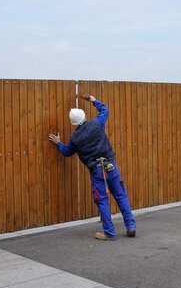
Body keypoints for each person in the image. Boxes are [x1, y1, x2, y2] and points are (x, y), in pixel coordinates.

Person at [48, 95, 136, 240]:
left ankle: (109, 233)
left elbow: (66, 152)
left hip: (97, 171)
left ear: (73, 123)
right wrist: (94, 101)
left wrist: (58, 143)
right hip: (110, 166)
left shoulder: (75, 138)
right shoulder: (97, 123)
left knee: (102, 200)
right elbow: (105, 110)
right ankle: (131, 226)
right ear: (84, 116)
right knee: (121, 195)